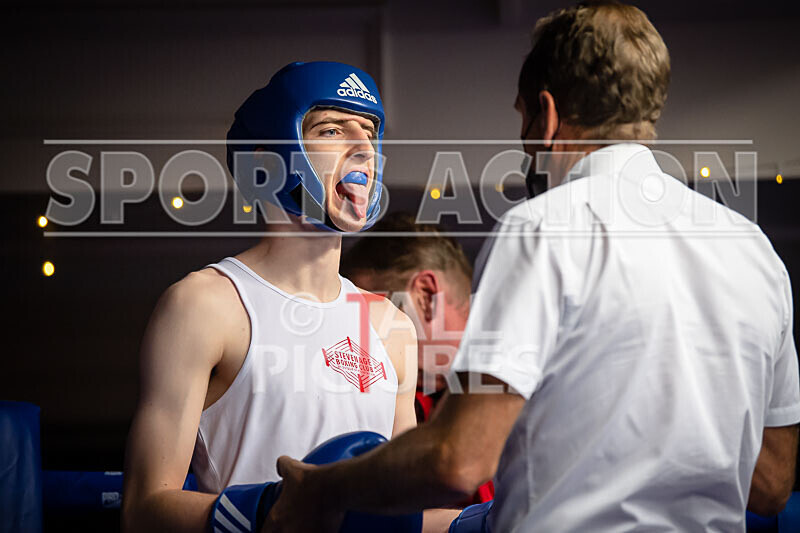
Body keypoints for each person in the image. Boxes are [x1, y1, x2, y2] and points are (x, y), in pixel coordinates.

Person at [268, 3, 800, 532]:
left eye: (522, 117)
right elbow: (773, 483)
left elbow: (460, 460)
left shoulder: (543, 228)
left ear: (546, 115)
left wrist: (323, 488)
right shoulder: (753, 250)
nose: (523, 141)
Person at [121, 61, 426, 532]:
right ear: (268, 163)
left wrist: (486, 521)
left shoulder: (392, 327)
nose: (362, 148)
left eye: (368, 132)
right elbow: (144, 510)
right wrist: (275, 509)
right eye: (331, 130)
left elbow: (406, 512)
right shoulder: (206, 306)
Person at [342, 213, 493, 504]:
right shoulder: (398, 403)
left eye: (379, 321)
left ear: (425, 296)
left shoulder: (540, 384)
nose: (368, 343)